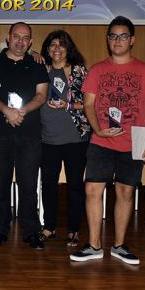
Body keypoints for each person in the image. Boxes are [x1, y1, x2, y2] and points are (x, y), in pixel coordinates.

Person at [70, 16, 145, 265]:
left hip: (134, 142)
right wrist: (98, 129)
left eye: (123, 36)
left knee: (125, 191)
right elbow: (88, 104)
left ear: (132, 40)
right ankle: (94, 246)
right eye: (112, 36)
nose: (117, 40)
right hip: (101, 142)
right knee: (92, 190)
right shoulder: (97, 70)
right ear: (107, 39)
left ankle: (119, 246)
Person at [0, 22, 49, 250]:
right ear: (8, 37)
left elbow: (41, 95)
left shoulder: (36, 64)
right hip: (0, 132)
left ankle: (31, 230)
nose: (20, 41)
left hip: (29, 133)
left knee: (28, 184)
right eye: (16, 36)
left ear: (30, 42)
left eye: (25, 38)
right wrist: (6, 111)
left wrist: (21, 111)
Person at [38, 30, 91, 247]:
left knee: (75, 185)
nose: (57, 49)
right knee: (48, 184)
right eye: (52, 45)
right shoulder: (42, 69)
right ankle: (49, 227)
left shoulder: (80, 71)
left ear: (69, 48)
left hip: (75, 138)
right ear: (47, 49)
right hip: (47, 138)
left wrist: (67, 105)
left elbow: (91, 104)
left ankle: (73, 229)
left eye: (61, 45)